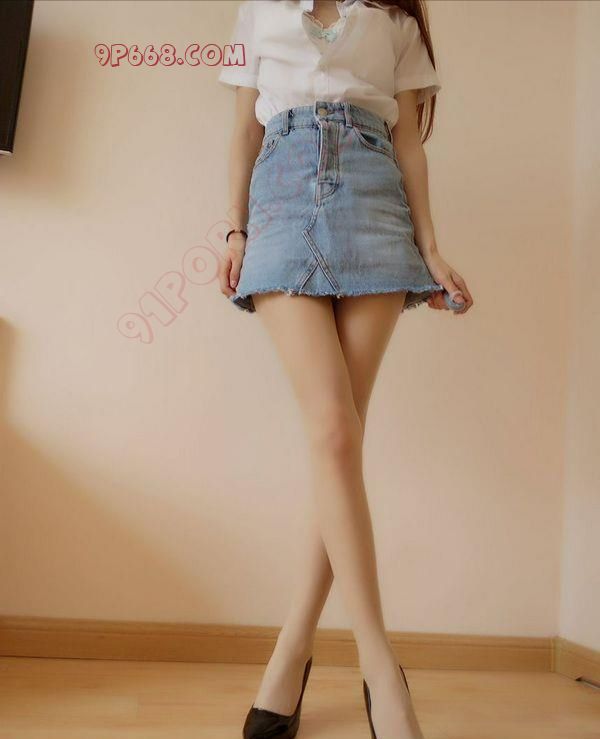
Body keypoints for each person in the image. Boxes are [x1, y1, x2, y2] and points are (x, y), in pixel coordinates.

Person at [218, 2, 474, 737]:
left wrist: (430, 248)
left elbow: (409, 142)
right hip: (281, 202)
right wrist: (234, 229)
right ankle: (379, 666)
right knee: (335, 434)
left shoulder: (395, 21)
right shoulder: (259, 10)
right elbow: (244, 128)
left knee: (339, 445)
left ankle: (291, 654)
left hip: (374, 205)